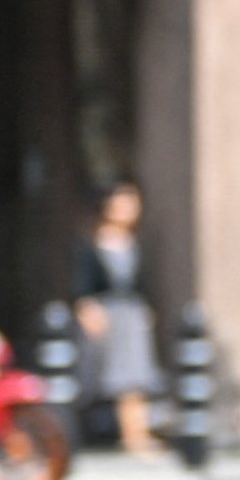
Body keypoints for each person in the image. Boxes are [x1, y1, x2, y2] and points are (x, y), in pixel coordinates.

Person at [75, 180, 164, 459]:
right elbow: (83, 284)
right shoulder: (92, 241)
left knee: (135, 377)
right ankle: (108, 434)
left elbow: (145, 282)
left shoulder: (137, 242)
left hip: (132, 314)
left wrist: (147, 309)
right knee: (101, 377)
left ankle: (136, 436)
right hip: (106, 313)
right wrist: (87, 308)